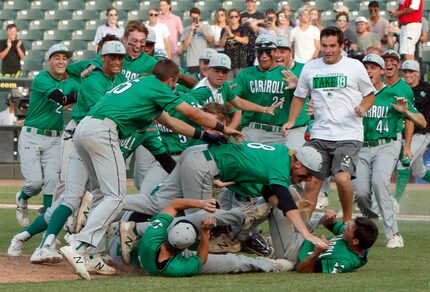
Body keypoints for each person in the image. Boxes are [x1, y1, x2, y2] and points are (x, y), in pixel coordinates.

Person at [59, 59, 243, 280]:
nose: (174, 88)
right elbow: (193, 114)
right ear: (172, 81)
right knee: (116, 197)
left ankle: (92, 254)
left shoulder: (143, 84)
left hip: (85, 128)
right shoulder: (158, 87)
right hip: (103, 130)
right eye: (174, 84)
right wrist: (224, 128)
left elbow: (173, 124)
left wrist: (205, 135)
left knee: (101, 194)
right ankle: (79, 244)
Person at [7, 41, 128, 271]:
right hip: (75, 135)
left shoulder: (116, 80)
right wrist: (86, 74)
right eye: (110, 55)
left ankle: (84, 251)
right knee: (66, 196)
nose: (116, 61)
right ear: (100, 56)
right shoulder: (86, 77)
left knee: (90, 194)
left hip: (70, 137)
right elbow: (86, 105)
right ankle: (47, 243)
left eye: (119, 56)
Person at [282, 26, 376, 223]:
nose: (328, 50)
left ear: (342, 46)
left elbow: (369, 95)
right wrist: (291, 121)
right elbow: (299, 97)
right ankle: (303, 229)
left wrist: (363, 107)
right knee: (311, 182)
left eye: (333, 46)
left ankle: (347, 223)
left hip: (348, 136)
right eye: (324, 46)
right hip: (320, 135)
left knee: (342, 179)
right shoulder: (311, 67)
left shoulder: (355, 67)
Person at [354, 54, 425, 249]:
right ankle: (371, 221)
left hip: (387, 144)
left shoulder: (395, 93)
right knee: (360, 192)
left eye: (373, 67)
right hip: (361, 146)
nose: (369, 71)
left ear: (382, 71)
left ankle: (393, 234)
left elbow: (421, 121)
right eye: (366, 67)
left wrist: (405, 112)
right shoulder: (355, 92)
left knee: (379, 182)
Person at [116, 198, 293, 277]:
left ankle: (241, 223)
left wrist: (201, 204)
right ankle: (271, 265)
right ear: (186, 248)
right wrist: (206, 234)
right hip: (172, 261)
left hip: (144, 254)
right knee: (233, 263)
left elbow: (174, 205)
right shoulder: (177, 268)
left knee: (190, 217)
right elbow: (201, 259)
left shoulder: (152, 238)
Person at [15, 45, 80, 229]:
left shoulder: (70, 82)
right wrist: (77, 95)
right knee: (35, 183)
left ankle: (48, 229)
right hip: (32, 135)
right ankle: (22, 198)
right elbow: (62, 99)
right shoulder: (42, 78)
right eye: (57, 57)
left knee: (53, 182)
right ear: (49, 60)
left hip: (54, 138)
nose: (61, 61)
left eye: (64, 58)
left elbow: (85, 93)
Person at [232, 34, 299, 143]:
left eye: (268, 51)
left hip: (278, 132)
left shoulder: (287, 75)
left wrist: (298, 89)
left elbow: (300, 104)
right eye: (260, 51)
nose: (264, 55)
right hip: (251, 129)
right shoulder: (245, 74)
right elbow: (233, 101)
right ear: (255, 52)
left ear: (275, 52)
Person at [294, 210, 379, 273]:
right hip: (305, 236)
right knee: (294, 198)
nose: (344, 227)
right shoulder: (351, 237)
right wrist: (330, 218)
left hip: (295, 253)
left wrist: (316, 253)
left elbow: (303, 269)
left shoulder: (344, 262)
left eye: (348, 228)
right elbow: (329, 224)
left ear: (355, 241)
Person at [395, 60, 430, 206]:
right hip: (403, 135)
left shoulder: (427, 89)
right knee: (420, 172)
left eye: (411, 72)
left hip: (421, 134)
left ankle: (394, 202)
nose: (407, 74)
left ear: (417, 73)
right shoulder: (400, 87)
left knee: (403, 164)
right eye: (405, 71)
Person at [219, 9, 251, 80]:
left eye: (236, 16)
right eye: (232, 17)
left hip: (241, 62)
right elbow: (221, 44)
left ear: (239, 17)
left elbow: (245, 41)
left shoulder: (243, 28)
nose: (234, 18)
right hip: (228, 63)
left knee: (240, 85)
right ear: (229, 18)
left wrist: (232, 35)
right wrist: (225, 33)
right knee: (229, 86)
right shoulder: (224, 30)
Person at [180, 7, 214, 73]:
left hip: (206, 60)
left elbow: (211, 40)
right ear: (190, 17)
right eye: (193, 18)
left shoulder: (207, 26)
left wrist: (202, 28)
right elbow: (186, 45)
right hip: (192, 62)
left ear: (199, 16)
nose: (195, 20)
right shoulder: (187, 29)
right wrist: (191, 31)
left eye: (196, 18)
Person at [240, 0, 264, 67]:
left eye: (252, 1)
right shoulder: (241, 15)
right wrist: (241, 24)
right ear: (245, 3)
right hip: (244, 46)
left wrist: (257, 21)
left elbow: (266, 27)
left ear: (255, 3)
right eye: (248, 2)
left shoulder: (261, 15)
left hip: (257, 44)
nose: (250, 4)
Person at [159, 0, 183, 65]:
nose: (161, 7)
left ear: (169, 6)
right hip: (161, 52)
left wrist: (180, 47)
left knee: (176, 73)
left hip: (174, 52)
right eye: (160, 5)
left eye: (164, 5)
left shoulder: (176, 18)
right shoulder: (157, 18)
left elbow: (183, 35)